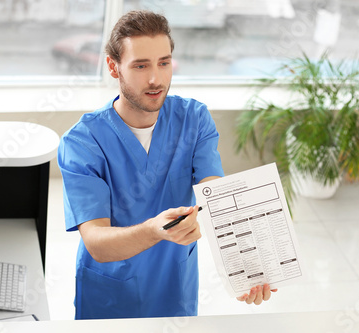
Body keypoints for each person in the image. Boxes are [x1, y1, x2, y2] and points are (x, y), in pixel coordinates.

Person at [58, 10, 276, 320]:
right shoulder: (81, 143)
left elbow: (215, 197)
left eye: (164, 62)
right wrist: (154, 230)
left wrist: (249, 269)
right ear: (113, 67)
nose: (155, 78)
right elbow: (97, 243)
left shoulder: (194, 119)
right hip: (110, 296)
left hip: (174, 287)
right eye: (140, 65)